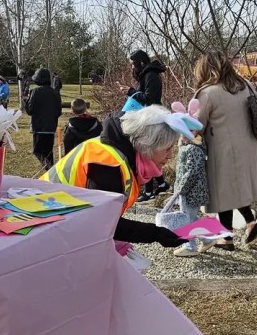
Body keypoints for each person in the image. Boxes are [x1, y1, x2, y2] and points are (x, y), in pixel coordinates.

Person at [41, 105, 193, 248]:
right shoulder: (108, 165)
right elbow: (103, 223)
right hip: (44, 222)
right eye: (167, 148)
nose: (170, 155)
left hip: (57, 220)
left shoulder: (121, 153)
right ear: (149, 145)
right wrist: (155, 233)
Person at [192, 51, 257, 251]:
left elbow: (196, 126)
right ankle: (250, 223)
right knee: (235, 189)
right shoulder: (245, 86)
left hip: (223, 149)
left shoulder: (208, 93)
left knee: (222, 191)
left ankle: (225, 238)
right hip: (248, 146)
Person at [118, 50, 169, 202]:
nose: (131, 67)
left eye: (132, 64)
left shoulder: (150, 75)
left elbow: (150, 98)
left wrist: (131, 91)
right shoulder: (146, 75)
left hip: (151, 118)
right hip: (146, 117)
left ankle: (150, 189)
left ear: (139, 62)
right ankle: (160, 183)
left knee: (145, 152)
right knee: (146, 152)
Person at [171, 126, 213, 258]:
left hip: (190, 191)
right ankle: (207, 239)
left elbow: (191, 172)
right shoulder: (187, 146)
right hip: (189, 190)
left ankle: (189, 246)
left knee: (186, 219)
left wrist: (181, 189)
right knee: (192, 218)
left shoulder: (194, 148)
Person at [26, 68, 62, 170]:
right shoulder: (55, 93)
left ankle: (49, 168)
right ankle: (51, 174)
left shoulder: (35, 92)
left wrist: (26, 101)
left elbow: (29, 110)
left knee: (37, 151)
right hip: (51, 127)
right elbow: (58, 112)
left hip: (39, 127)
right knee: (48, 152)